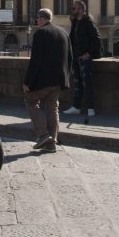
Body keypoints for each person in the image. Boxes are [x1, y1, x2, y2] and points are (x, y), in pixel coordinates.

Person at [23, 8, 71, 154]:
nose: (37, 21)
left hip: (43, 80)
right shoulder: (63, 33)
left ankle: (43, 135)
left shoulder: (41, 33)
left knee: (31, 102)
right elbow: (70, 58)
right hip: (58, 79)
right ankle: (52, 143)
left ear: (42, 18)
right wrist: (66, 77)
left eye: (37, 18)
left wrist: (27, 82)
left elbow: (35, 61)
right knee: (53, 108)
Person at [62, 0, 100, 119]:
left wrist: (88, 53)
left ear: (81, 10)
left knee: (87, 83)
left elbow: (97, 40)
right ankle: (76, 107)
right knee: (77, 82)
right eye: (72, 8)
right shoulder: (75, 22)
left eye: (74, 9)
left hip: (85, 58)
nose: (72, 11)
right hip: (76, 57)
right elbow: (72, 39)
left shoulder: (88, 22)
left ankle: (90, 108)